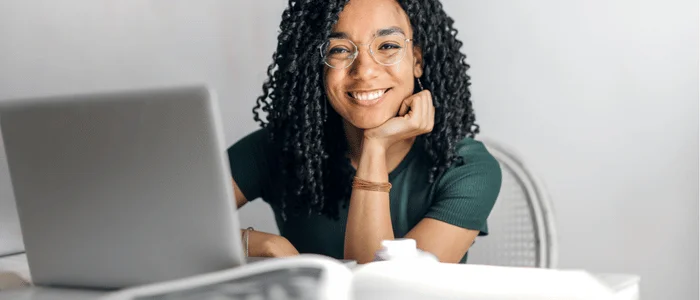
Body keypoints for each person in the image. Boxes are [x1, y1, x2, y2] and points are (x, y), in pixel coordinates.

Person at [228, 0, 502, 264]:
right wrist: (262, 244)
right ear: (318, 64)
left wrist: (375, 144)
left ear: (416, 60)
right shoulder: (279, 148)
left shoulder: (467, 168)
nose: (365, 71)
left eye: (388, 46)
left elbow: (383, 291)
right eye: (339, 50)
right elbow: (184, 221)